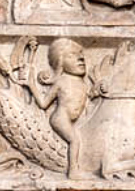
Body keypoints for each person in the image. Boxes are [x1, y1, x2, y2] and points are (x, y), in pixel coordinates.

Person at [29, 38, 90, 179]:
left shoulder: (83, 83)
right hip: (60, 119)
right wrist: (31, 85)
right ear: (61, 63)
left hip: (72, 120)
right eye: (72, 55)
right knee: (75, 140)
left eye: (81, 56)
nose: (81, 58)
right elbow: (44, 104)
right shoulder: (61, 81)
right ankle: (73, 171)